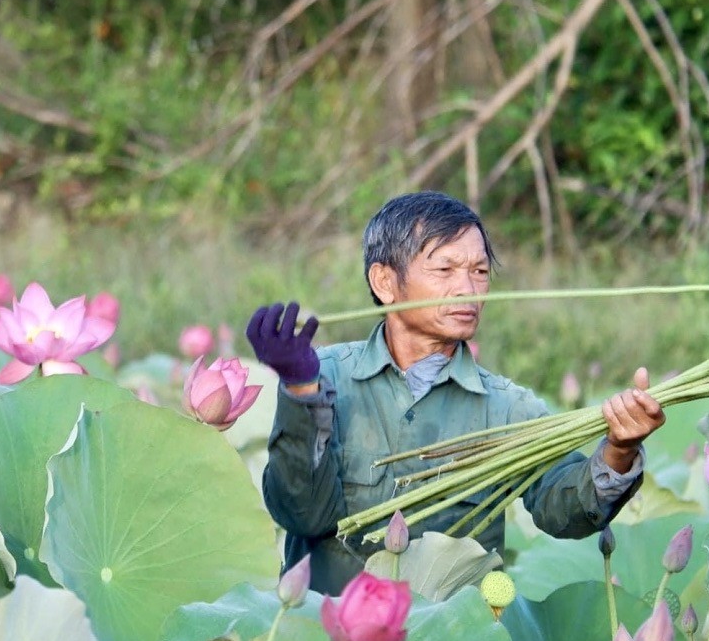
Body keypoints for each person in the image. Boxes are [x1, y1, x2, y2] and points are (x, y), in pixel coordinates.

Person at [245, 191, 666, 595]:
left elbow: (565, 514)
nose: (467, 288)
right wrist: (300, 388)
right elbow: (302, 515)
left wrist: (619, 449)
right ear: (385, 282)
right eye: (444, 270)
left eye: (479, 272)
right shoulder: (323, 376)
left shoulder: (507, 408)